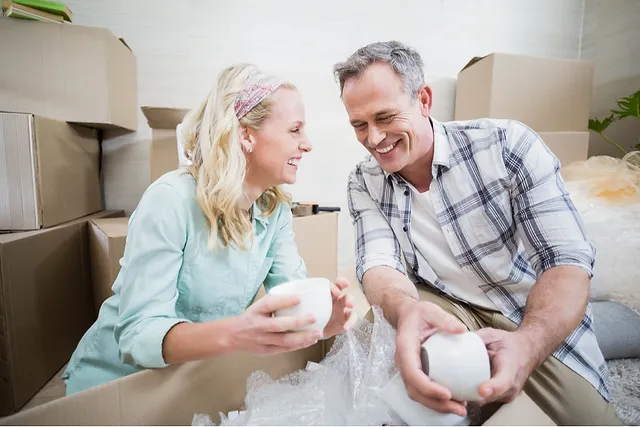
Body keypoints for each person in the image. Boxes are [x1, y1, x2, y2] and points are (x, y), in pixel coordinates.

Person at [333, 41, 619, 425]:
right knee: (383, 360)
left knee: (589, 420)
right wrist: (407, 310)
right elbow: (378, 265)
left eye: (385, 117)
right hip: (443, 305)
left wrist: (528, 345)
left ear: (424, 100)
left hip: (523, 309)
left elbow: (565, 261)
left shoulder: (507, 146)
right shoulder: (363, 180)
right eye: (359, 125)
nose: (373, 138)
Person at [63, 64, 355, 395]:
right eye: (294, 130)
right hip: (118, 384)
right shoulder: (170, 200)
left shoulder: (274, 211)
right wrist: (237, 333)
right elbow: (138, 335)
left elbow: (292, 298)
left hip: (192, 377)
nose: (307, 144)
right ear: (246, 134)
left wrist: (320, 320)